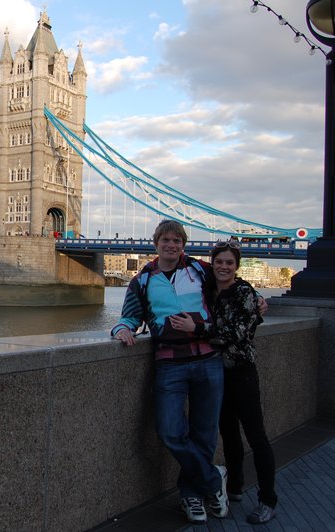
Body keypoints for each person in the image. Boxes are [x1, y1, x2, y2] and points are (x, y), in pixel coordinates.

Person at [111, 220, 229, 525]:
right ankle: (213, 478)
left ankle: (191, 495)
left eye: (177, 240)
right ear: (156, 243)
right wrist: (123, 329)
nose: (171, 245)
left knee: (204, 434)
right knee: (169, 432)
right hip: (170, 363)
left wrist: (253, 299)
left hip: (208, 359)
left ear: (183, 245)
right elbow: (129, 316)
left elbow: (230, 286)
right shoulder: (143, 280)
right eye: (166, 240)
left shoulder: (202, 270)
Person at [207, 240, 278, 524]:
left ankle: (267, 500)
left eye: (229, 263)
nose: (223, 267)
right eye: (219, 262)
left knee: (256, 436)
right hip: (216, 373)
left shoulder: (245, 292)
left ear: (236, 267)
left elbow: (234, 334)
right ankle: (235, 486)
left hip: (242, 373)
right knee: (229, 434)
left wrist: (197, 330)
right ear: (212, 264)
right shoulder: (208, 291)